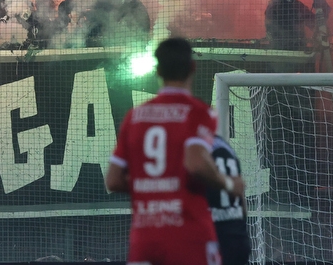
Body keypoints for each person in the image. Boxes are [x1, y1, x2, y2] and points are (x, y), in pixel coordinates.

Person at [106, 37, 245, 265]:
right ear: (193, 67)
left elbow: (112, 181)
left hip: (145, 241)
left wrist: (151, 185)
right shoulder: (199, 112)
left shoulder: (135, 116)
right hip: (188, 237)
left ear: (158, 70)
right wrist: (230, 184)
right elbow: (196, 164)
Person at [207, 134, 251, 265]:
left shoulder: (196, 149)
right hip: (237, 237)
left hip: (214, 238)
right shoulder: (225, 146)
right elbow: (240, 194)